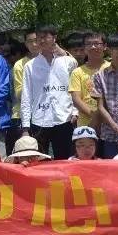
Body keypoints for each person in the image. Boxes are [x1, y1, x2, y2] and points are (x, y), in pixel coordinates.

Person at [21, 25, 78, 160]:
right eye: (39, 38)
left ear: (54, 38)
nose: (41, 41)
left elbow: (75, 89)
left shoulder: (68, 62)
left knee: (65, 160)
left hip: (64, 118)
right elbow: (26, 96)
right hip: (39, 119)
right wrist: (25, 127)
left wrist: (75, 112)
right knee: (39, 161)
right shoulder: (30, 66)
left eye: (45, 37)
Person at [68, 31, 106, 130]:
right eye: (89, 44)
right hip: (85, 125)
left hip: (109, 124)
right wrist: (95, 116)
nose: (93, 47)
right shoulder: (77, 72)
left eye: (97, 44)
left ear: (105, 46)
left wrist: (104, 117)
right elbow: (76, 100)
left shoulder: (111, 67)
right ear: (84, 48)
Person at [8, 29, 38, 143]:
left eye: (36, 40)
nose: (34, 44)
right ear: (25, 44)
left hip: (45, 115)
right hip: (21, 115)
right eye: (30, 41)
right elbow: (19, 93)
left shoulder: (52, 61)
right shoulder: (19, 65)